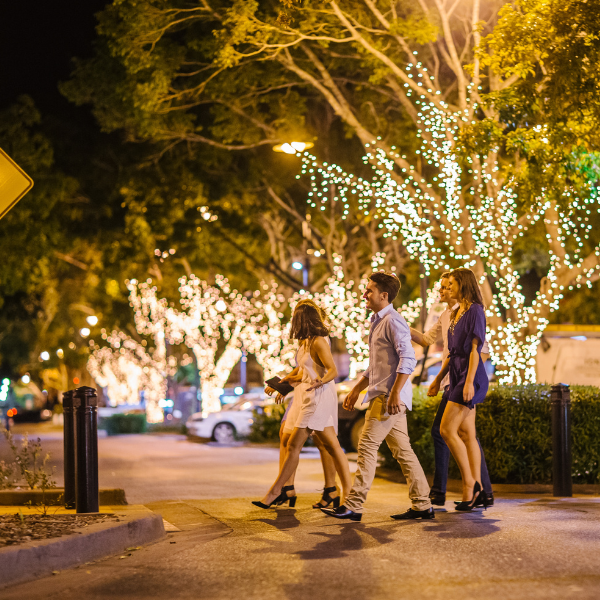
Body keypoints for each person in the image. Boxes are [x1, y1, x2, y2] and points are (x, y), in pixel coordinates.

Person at [322, 272, 433, 522]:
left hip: (388, 397)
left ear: (384, 296)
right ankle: (422, 504)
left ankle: (353, 505)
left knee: (366, 446)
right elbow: (377, 365)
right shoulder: (377, 321)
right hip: (383, 394)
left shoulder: (393, 320)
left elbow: (408, 359)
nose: (365, 294)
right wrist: (355, 388)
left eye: (369, 290)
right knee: (403, 451)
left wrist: (394, 394)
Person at [252, 299, 352, 509]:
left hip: (317, 399)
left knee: (301, 445)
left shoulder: (319, 342)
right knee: (330, 446)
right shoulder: (306, 342)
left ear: (304, 320)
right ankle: (345, 495)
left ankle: (277, 491)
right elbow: (301, 371)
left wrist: (320, 382)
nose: (293, 324)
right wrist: (282, 383)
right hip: (308, 397)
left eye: (296, 319)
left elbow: (332, 370)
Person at [411, 273, 494, 507]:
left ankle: (471, 485)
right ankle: (477, 491)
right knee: (467, 434)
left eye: (451, 284)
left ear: (463, 285)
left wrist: (469, 382)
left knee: (446, 430)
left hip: (469, 376)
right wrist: (438, 379)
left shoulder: (476, 310)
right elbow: (450, 352)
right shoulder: (454, 313)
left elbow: (476, 350)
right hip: (455, 374)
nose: (446, 289)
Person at [265, 379, 341, 509]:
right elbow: (301, 368)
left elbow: (310, 370)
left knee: (323, 441)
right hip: (301, 391)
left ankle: (331, 489)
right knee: (285, 436)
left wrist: (283, 385)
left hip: (316, 391)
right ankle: (287, 487)